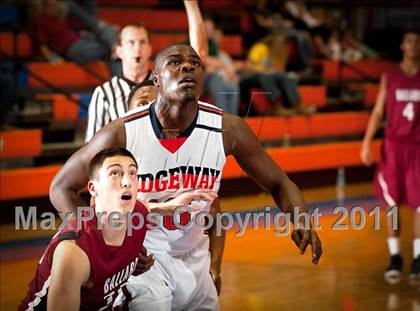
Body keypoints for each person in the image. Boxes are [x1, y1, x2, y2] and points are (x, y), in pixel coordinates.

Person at [49, 44, 323, 310]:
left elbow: (279, 182)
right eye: (175, 62)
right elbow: (61, 188)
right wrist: (103, 243)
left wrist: (299, 217)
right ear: (156, 79)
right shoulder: (122, 132)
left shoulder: (228, 129)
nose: (187, 67)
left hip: (196, 262)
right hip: (143, 262)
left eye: (194, 63)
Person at [19, 147, 216, 310]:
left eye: (132, 173)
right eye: (115, 173)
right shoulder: (74, 252)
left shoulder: (136, 213)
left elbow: (146, 207)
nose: (127, 181)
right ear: (93, 189)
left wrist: (171, 205)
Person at [85, 0, 207, 142]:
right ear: (118, 51)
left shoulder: (165, 82)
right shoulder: (104, 93)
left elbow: (199, 56)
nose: (137, 48)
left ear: (150, 49)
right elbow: (92, 144)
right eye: (131, 42)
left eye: (142, 42)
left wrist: (191, 5)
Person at [360, 30, 420, 281]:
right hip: (393, 147)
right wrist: (366, 142)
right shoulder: (390, 76)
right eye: (409, 41)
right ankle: (395, 256)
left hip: (417, 148)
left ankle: (418, 257)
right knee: (391, 204)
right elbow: (377, 112)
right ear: (402, 45)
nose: (413, 45)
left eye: (418, 42)